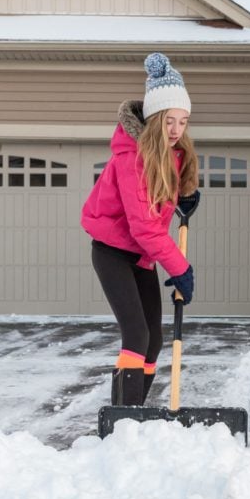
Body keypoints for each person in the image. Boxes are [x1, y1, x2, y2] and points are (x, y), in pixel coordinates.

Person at [81, 52, 200, 406]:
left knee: (153, 340)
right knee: (135, 334)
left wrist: (184, 196)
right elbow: (144, 226)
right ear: (153, 119)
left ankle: (133, 413)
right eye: (169, 121)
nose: (177, 130)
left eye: (183, 121)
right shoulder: (131, 158)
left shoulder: (172, 152)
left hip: (141, 254)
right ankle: (123, 420)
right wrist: (180, 268)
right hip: (114, 252)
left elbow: (161, 197)